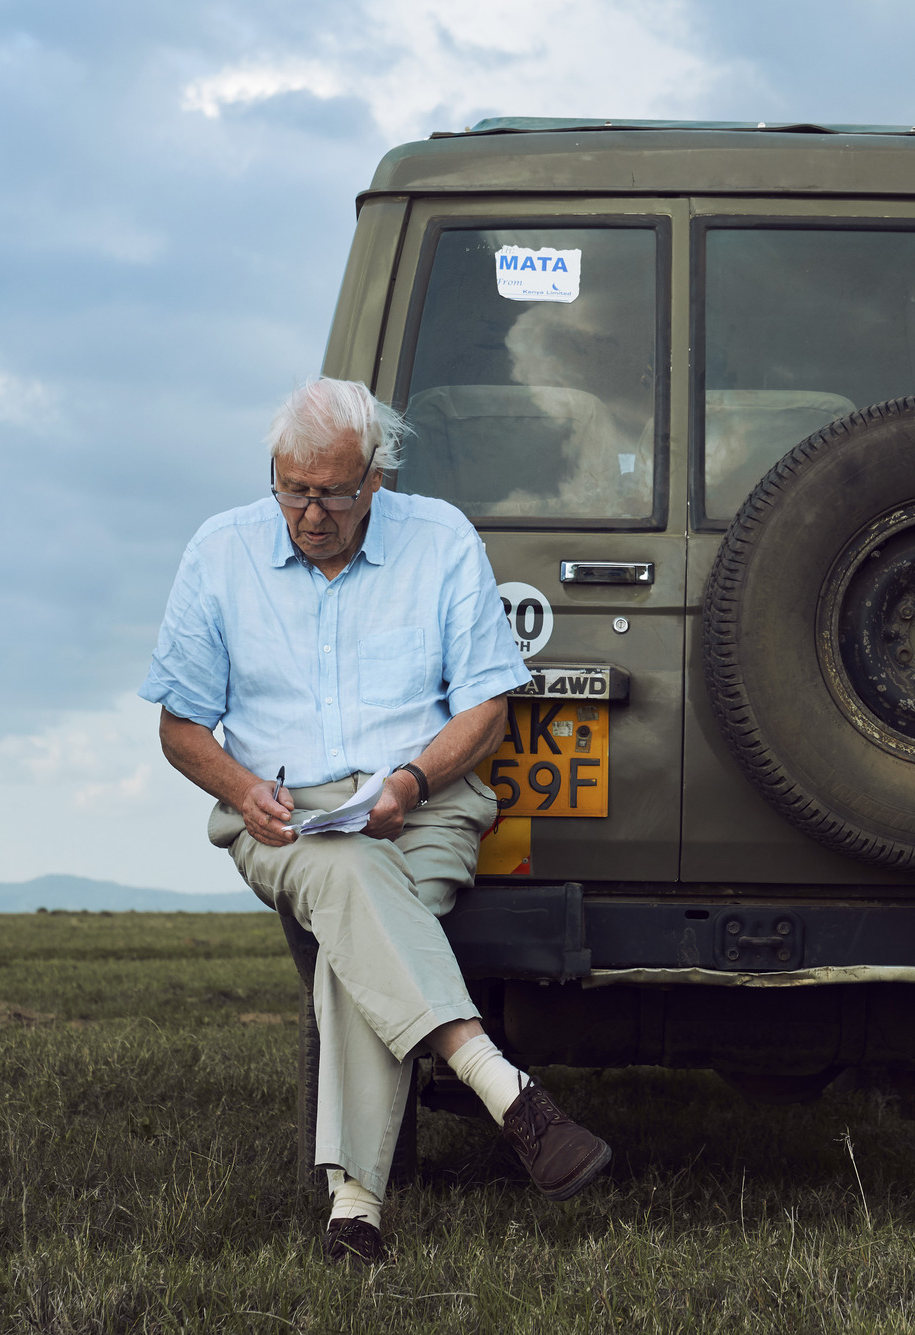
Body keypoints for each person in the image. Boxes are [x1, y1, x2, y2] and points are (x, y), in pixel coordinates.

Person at [139, 377, 610, 1266]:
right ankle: (503, 1088)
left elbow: (488, 710)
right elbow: (178, 724)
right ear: (272, 474)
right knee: (346, 876)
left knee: (354, 940)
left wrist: (410, 778)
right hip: (281, 814)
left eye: (333, 493)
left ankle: (355, 1210)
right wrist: (243, 790)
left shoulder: (441, 539)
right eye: (293, 489)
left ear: (376, 481)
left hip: (417, 806)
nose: (310, 512)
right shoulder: (219, 550)